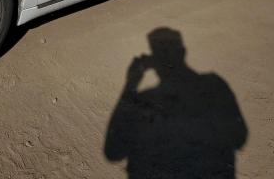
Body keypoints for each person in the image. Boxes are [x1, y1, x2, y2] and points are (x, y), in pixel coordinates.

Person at [104, 28, 247, 179]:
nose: (164, 59)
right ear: (183, 52)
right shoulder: (213, 86)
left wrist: (130, 85)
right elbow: (238, 137)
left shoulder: (144, 100)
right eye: (161, 53)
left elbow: (113, 152)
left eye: (166, 51)